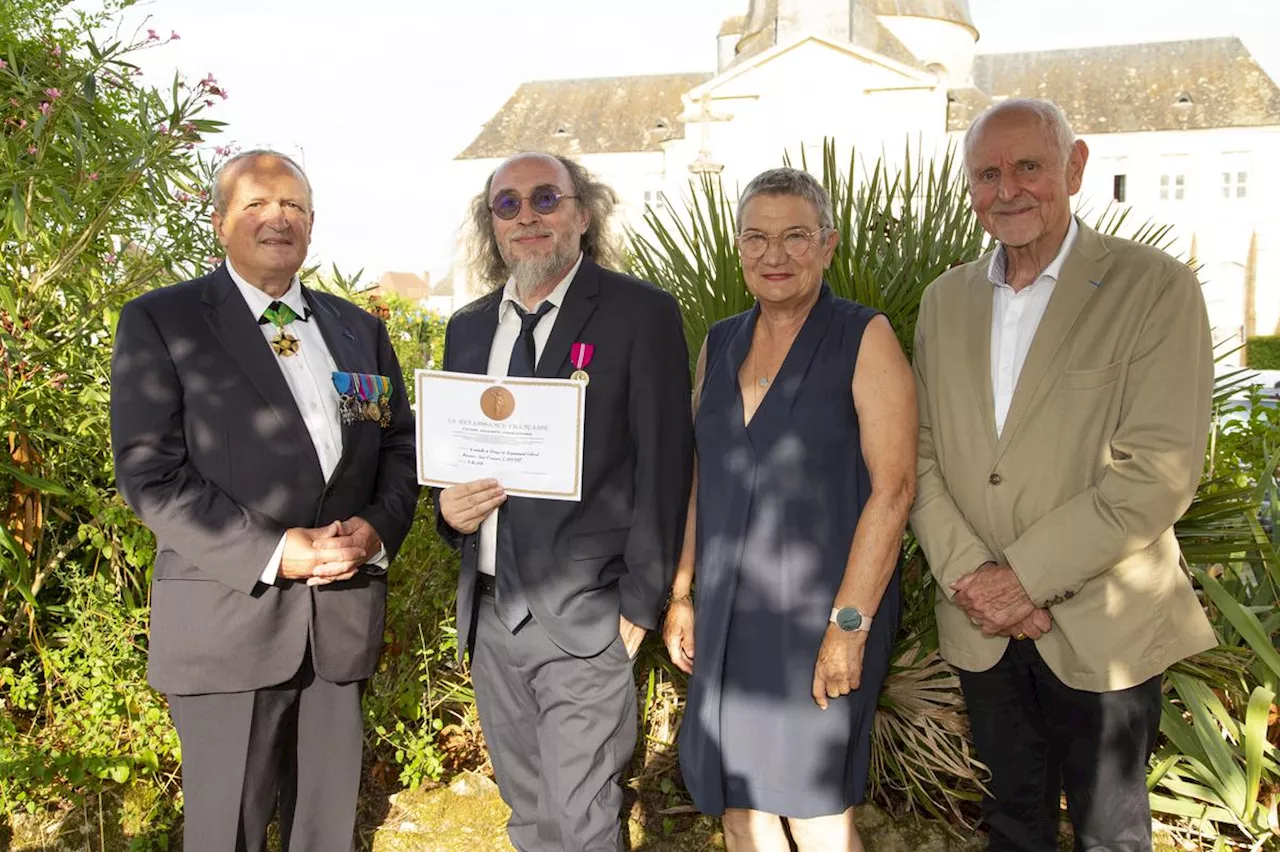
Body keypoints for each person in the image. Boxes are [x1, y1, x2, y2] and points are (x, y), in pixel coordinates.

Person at [910, 99, 1218, 852]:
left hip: (1101, 622)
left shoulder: (1154, 289)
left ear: (1075, 170)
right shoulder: (943, 301)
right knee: (1011, 825)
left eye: (1028, 167)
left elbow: (1157, 472)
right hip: (980, 622)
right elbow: (917, 453)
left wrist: (1020, 580)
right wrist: (973, 577)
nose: (1007, 188)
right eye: (987, 173)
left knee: (1110, 833)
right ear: (970, 188)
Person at [110, 150, 419, 852]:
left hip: (338, 624)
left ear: (312, 226)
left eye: (294, 206)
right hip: (229, 624)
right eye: (256, 204)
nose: (278, 217)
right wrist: (279, 550)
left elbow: (395, 446)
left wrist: (375, 529)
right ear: (218, 222)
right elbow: (149, 474)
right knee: (228, 834)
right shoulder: (164, 323)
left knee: (326, 831)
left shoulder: (357, 329)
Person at [434, 152, 693, 851]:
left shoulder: (641, 315)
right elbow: (454, 466)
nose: (528, 217)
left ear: (582, 213)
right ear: (492, 226)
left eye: (546, 198)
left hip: (587, 614)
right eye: (508, 204)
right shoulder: (467, 328)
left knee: (579, 822)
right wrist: (445, 513)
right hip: (489, 617)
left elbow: (667, 465)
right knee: (529, 815)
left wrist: (640, 605)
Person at [663, 167, 917, 851]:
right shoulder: (718, 343)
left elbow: (894, 491)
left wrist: (849, 626)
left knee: (814, 807)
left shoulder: (865, 337)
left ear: (828, 245)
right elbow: (700, 476)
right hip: (727, 613)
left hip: (821, 614)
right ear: (738, 247)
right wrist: (682, 592)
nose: (775, 256)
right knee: (740, 805)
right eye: (757, 238)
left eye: (795, 236)